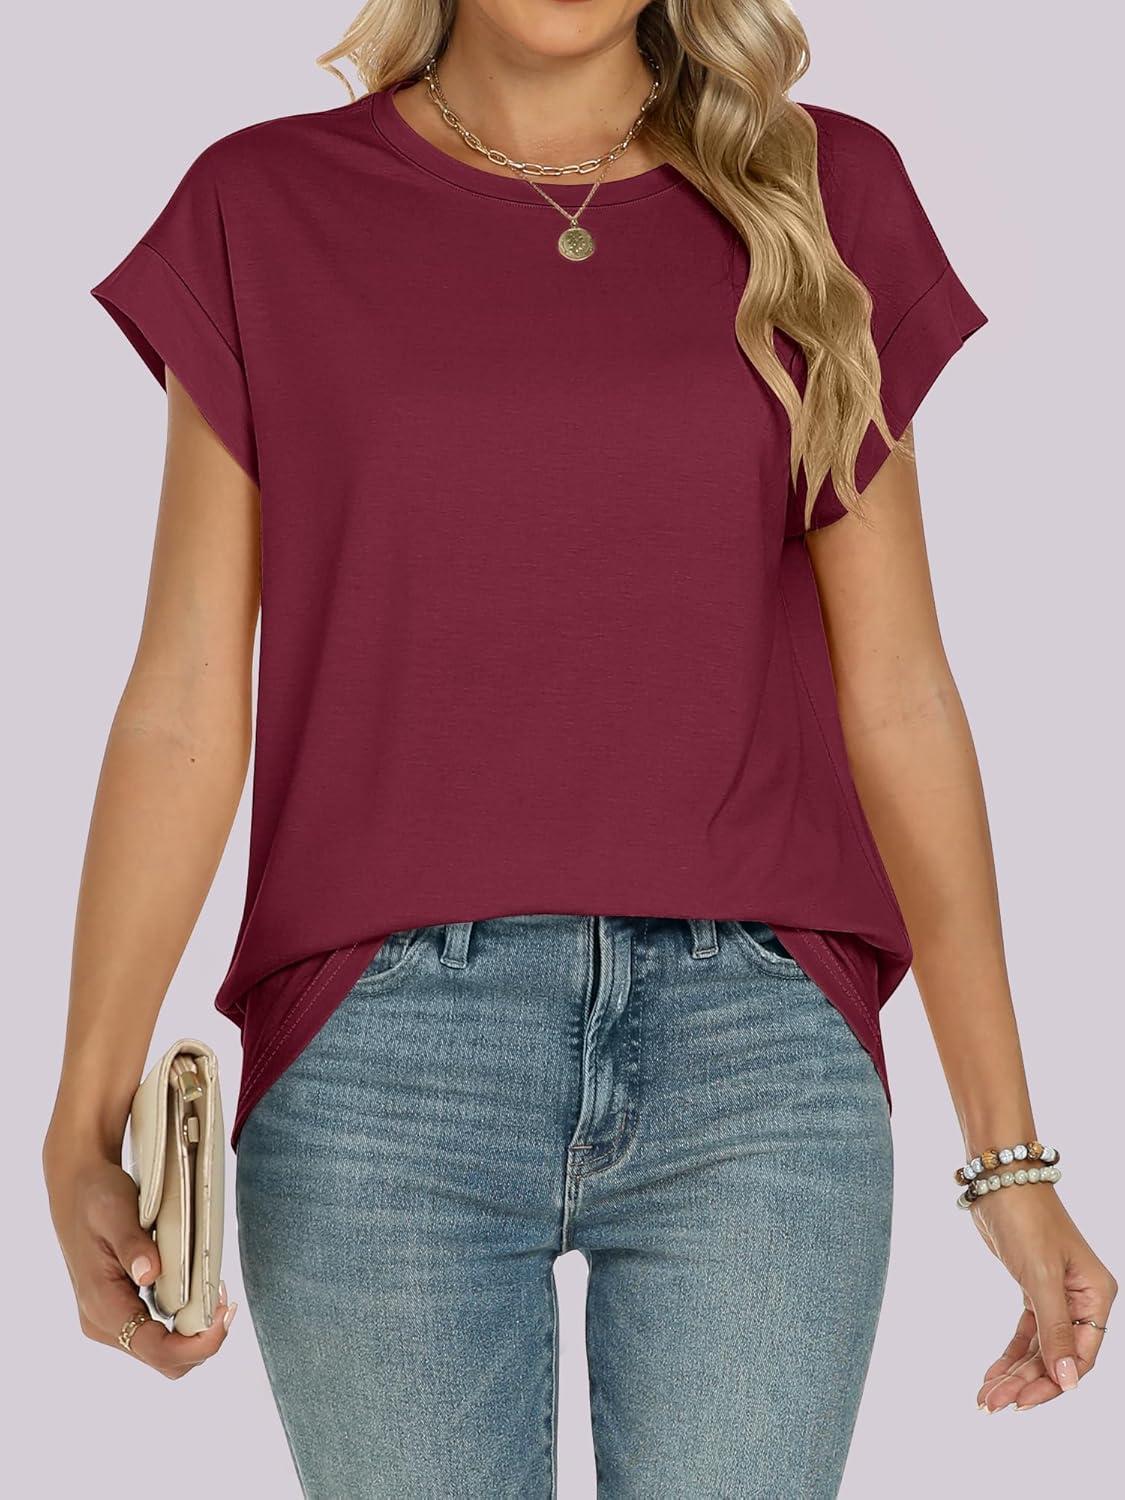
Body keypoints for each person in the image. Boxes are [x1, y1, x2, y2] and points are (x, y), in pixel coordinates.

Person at [44, 2, 1116, 1496]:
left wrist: (1009, 1161)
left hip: (753, 1051)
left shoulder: (820, 191)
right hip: (379, 1060)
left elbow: (900, 696)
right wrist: (81, 1119)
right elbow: (181, 698)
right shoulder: (263, 206)